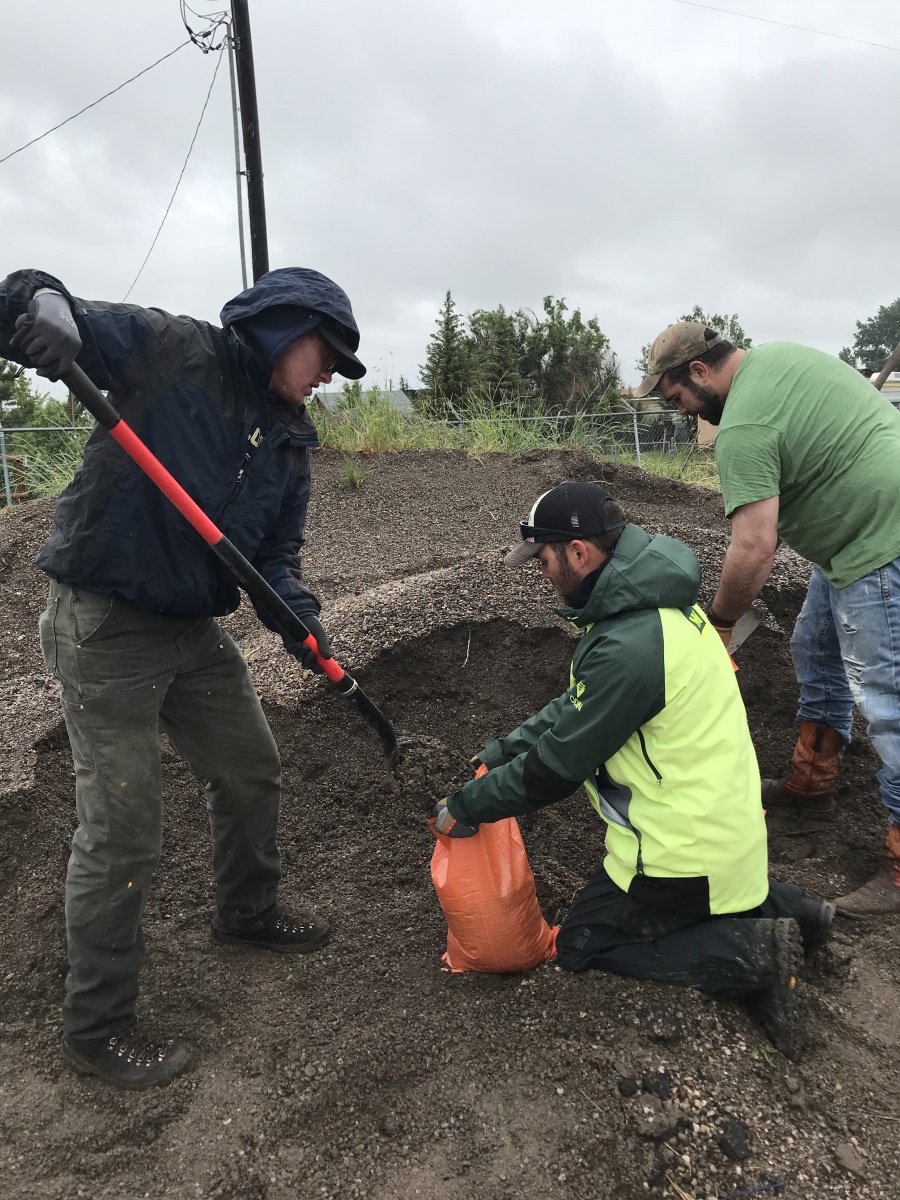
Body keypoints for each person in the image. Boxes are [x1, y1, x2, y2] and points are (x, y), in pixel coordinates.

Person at [0, 266, 366, 1089]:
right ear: (283, 327)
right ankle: (95, 1025)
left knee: (248, 767)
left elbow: (273, 559)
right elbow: (28, 296)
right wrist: (43, 310)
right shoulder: (173, 349)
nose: (331, 376)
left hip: (190, 629)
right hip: (105, 623)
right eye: (328, 354)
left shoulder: (287, 438)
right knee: (123, 827)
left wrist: (303, 624)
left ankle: (246, 912)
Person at [433, 482, 833, 1060]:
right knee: (688, 898)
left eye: (543, 560)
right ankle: (799, 911)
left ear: (578, 553)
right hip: (728, 835)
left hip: (682, 855)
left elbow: (557, 769)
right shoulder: (657, 611)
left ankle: (756, 955)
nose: (541, 574)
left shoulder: (628, 645)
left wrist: (466, 807)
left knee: (583, 943)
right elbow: (575, 705)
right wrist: (500, 750)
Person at [633, 323, 900, 917]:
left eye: (676, 398)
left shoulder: (745, 425)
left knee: (888, 700)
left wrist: (721, 622)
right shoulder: (779, 358)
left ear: (699, 372)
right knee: (815, 647)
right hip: (854, 537)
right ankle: (811, 783)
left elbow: (754, 546)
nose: (681, 413)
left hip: (881, 540)